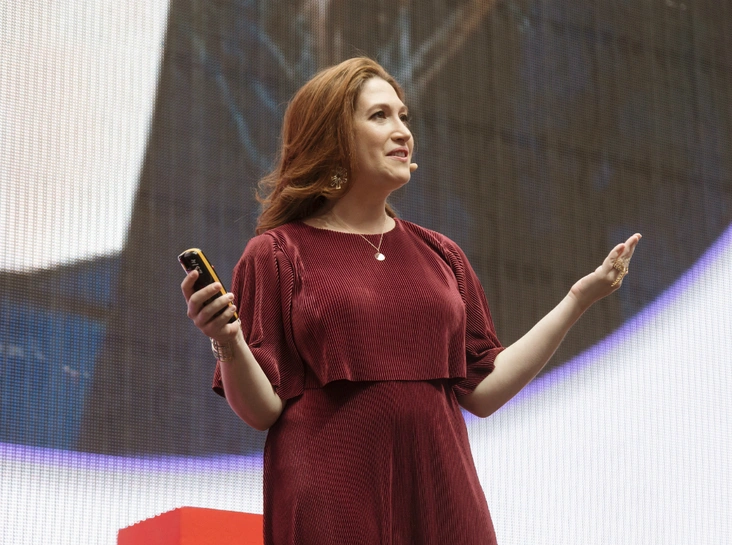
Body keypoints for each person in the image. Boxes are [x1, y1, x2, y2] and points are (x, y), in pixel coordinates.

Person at [181, 57, 641, 545]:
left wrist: (578, 299)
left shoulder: (441, 254)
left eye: (404, 116)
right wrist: (227, 342)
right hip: (333, 506)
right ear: (333, 137)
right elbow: (261, 411)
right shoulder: (276, 254)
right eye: (380, 116)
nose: (403, 131)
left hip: (443, 499)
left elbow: (483, 390)